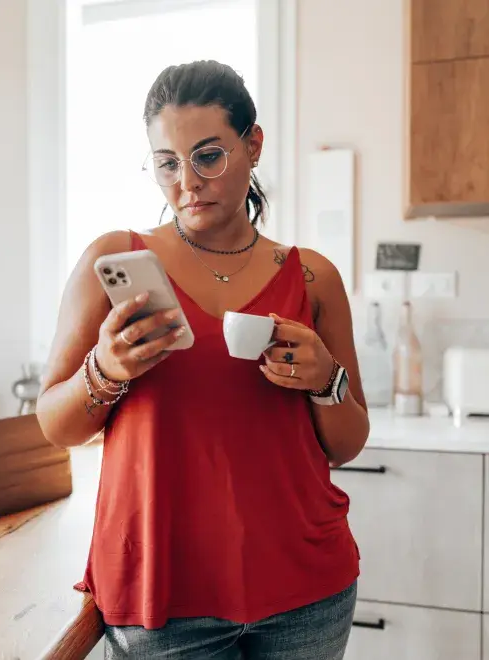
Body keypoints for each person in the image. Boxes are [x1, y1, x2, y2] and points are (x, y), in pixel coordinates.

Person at [36, 60, 370, 659]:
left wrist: (325, 378)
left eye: (208, 156)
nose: (187, 182)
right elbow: (54, 422)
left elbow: (347, 443)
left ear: (254, 144)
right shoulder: (114, 261)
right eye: (167, 163)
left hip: (306, 591)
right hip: (163, 598)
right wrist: (106, 369)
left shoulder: (314, 277)